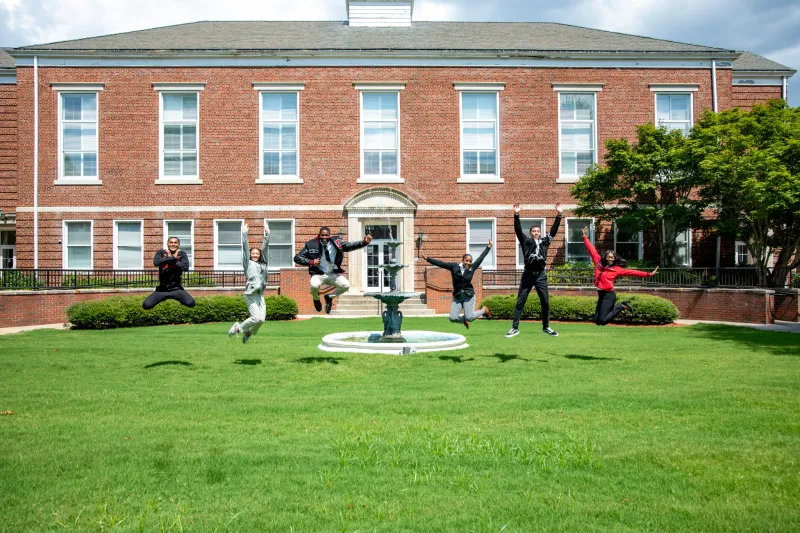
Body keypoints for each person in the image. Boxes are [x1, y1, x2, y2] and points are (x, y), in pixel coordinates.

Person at [505, 202, 563, 338]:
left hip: (541, 275)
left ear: (540, 233)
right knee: (520, 301)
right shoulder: (526, 241)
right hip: (528, 275)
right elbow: (518, 230)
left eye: (537, 231)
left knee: (545, 302)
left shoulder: (545, 242)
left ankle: (546, 327)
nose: (536, 232)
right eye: (533, 231)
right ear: (530, 233)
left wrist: (559, 215)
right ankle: (514, 328)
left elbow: (553, 231)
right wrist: (516, 215)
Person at [582, 226, 659, 325]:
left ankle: (621, 306)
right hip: (601, 294)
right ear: (605, 257)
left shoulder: (616, 269)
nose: (610, 258)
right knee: (597, 320)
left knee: (603, 321)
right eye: (608, 257)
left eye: (612, 257)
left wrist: (648, 274)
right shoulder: (598, 262)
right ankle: (618, 309)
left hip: (609, 295)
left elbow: (632, 272)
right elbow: (591, 249)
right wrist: (585, 237)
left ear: (614, 259)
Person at [294, 227, 373, 313]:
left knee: (346, 285)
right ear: (319, 235)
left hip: (332, 274)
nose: (324, 237)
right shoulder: (311, 244)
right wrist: (311, 262)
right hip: (318, 274)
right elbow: (297, 258)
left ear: (329, 235)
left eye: (326, 235)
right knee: (314, 285)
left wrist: (364, 242)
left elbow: (350, 246)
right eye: (322, 235)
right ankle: (316, 299)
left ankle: (329, 297)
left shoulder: (337, 242)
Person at [421, 240, 493, 329]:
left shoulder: (472, 268)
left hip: (468, 296)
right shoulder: (454, 267)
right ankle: (463, 320)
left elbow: (481, 258)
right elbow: (441, 264)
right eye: (467, 261)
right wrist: (427, 259)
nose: (468, 263)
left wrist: (488, 247)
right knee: (452, 318)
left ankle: (483, 310)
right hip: (457, 296)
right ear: (462, 260)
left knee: (469, 317)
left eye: (470, 261)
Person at [228, 223, 270, 343]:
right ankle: (238, 328)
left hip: (260, 295)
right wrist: (244, 234)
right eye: (253, 253)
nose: (255, 255)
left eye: (257, 253)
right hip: (250, 294)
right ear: (250, 255)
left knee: (261, 320)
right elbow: (245, 249)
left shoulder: (264, 264)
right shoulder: (248, 264)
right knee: (255, 318)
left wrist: (267, 235)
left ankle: (248, 333)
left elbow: (265, 249)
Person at [143, 236, 196, 310]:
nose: (173, 244)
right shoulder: (161, 253)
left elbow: (185, 268)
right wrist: (171, 258)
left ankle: (178, 299)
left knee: (191, 303)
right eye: (171, 242)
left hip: (176, 289)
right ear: (167, 244)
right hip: (162, 289)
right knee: (146, 305)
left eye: (175, 243)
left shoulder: (182, 254)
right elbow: (156, 262)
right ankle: (163, 297)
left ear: (178, 244)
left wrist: (173, 260)